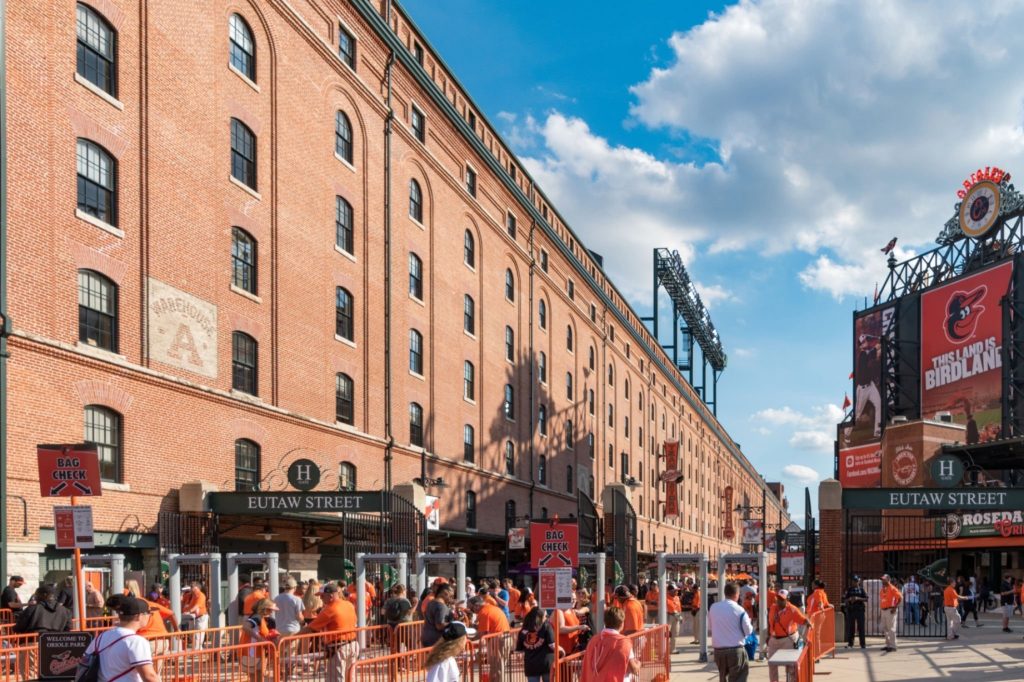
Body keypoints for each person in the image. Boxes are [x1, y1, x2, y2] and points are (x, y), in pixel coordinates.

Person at [83, 596, 160, 682]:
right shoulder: (137, 641)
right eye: (149, 613)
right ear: (139, 616)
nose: (150, 616)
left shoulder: (101, 637)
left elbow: (85, 661)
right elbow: (149, 676)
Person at [300, 583, 359, 682]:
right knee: (350, 678)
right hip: (353, 645)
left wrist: (293, 637)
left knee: (337, 679)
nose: (321, 599)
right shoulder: (348, 604)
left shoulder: (329, 609)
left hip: (339, 647)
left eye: (322, 596)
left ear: (330, 596)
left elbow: (310, 628)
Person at [580, 606, 640, 682]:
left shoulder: (593, 640)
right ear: (622, 624)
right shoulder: (624, 642)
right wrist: (638, 664)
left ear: (605, 622)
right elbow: (634, 669)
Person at [708, 582, 752, 682]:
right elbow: (748, 630)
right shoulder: (740, 610)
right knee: (739, 678)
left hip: (718, 651)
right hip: (735, 650)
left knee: (723, 678)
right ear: (737, 594)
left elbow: (711, 627)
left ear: (725, 593)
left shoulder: (713, 607)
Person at [766, 590, 809, 682]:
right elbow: (770, 622)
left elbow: (804, 620)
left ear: (787, 600)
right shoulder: (773, 607)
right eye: (778, 598)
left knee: (790, 667)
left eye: (781, 599)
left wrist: (808, 631)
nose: (778, 601)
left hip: (788, 640)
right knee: (772, 665)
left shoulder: (792, 609)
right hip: (774, 640)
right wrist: (768, 636)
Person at [469, 595, 512, 682]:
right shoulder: (491, 608)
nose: (472, 611)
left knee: (497, 667)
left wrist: (469, 639)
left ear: (477, 605)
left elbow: (482, 634)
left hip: (497, 640)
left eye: (472, 609)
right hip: (505, 637)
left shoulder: (484, 612)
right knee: (498, 667)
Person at [241, 598, 279, 682]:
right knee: (254, 676)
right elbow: (245, 627)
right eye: (270, 610)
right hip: (252, 652)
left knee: (260, 674)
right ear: (264, 609)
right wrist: (259, 638)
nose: (272, 612)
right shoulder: (256, 617)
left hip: (262, 652)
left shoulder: (270, 620)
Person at [516, 606, 559, 682]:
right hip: (546, 664)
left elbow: (519, 651)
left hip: (531, 665)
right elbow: (552, 645)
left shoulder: (523, 631)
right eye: (545, 616)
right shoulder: (546, 626)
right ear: (540, 617)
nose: (547, 617)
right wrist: (561, 650)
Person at [421, 582, 453, 648]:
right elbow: (439, 625)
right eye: (450, 596)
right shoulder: (441, 606)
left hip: (426, 637)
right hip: (436, 641)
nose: (451, 598)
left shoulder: (431, 602)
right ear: (445, 593)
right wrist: (453, 623)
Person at [181, 582, 209, 649]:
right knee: (192, 633)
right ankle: (196, 649)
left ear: (198, 588)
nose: (192, 589)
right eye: (192, 588)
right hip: (193, 617)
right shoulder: (192, 595)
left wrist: (189, 611)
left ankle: (198, 650)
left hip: (201, 617)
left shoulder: (201, 595)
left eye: (194, 588)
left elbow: (197, 606)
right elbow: (189, 604)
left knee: (198, 634)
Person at [879, 574, 902, 652]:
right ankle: (888, 645)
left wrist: (895, 608)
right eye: (882, 580)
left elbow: (900, 598)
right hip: (884, 610)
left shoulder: (892, 588)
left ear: (888, 580)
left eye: (884, 580)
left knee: (891, 628)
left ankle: (893, 646)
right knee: (885, 628)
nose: (883, 581)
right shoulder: (882, 589)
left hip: (890, 610)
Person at [843, 575, 867, 649]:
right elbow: (845, 599)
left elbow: (866, 599)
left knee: (861, 628)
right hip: (851, 610)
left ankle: (862, 644)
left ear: (858, 582)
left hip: (860, 611)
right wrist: (850, 599)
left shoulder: (862, 590)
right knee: (851, 628)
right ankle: (850, 644)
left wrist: (858, 598)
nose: (855, 582)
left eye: (856, 581)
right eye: (854, 581)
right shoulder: (849, 590)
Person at [943, 576, 964, 641]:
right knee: (958, 620)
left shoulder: (947, 589)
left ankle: (950, 636)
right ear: (951, 583)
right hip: (951, 608)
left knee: (950, 622)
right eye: (954, 583)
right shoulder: (951, 590)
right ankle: (952, 634)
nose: (955, 584)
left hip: (947, 607)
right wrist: (965, 597)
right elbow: (957, 597)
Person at [666, 583, 683, 653]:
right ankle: (665, 650)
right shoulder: (665, 598)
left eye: (677, 590)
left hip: (676, 617)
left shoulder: (677, 598)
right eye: (675, 590)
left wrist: (680, 616)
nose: (677, 592)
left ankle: (673, 649)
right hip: (668, 617)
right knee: (666, 634)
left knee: (675, 633)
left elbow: (679, 608)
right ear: (670, 591)